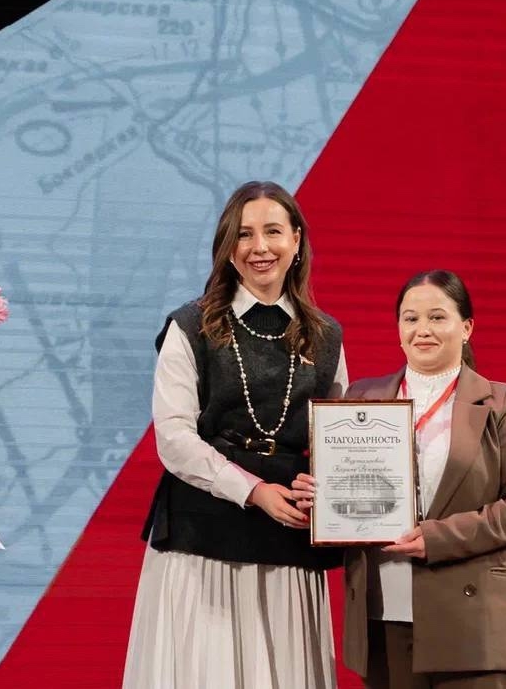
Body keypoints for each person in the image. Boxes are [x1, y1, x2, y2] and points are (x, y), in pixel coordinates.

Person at [123, 181, 348, 689]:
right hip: (202, 534)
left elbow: (338, 442)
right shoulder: (190, 326)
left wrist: (329, 487)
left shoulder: (326, 336)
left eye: (273, 231)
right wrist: (253, 491)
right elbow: (174, 439)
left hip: (288, 535)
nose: (259, 247)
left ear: (296, 240)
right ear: (227, 246)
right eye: (244, 235)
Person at [292, 270, 506, 689]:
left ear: (466, 328)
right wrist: (318, 502)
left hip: (471, 622)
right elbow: (344, 496)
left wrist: (438, 538)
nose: (422, 329)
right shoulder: (361, 400)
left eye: (437, 317)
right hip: (382, 614)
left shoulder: (500, 402)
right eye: (410, 318)